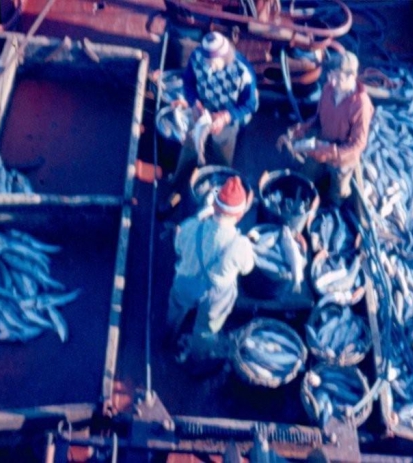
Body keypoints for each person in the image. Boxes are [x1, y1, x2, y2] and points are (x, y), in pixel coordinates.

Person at [159, 31, 259, 216]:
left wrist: (226, 117)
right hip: (203, 108)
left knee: (221, 154)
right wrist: (194, 102)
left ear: (225, 57)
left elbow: (251, 104)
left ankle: (217, 192)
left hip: (229, 113)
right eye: (206, 62)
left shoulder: (242, 71)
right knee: (190, 144)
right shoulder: (198, 56)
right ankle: (179, 182)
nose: (208, 67)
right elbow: (188, 82)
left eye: (212, 63)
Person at [167, 176, 254, 370]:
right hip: (216, 296)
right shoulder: (241, 245)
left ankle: (167, 338)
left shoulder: (189, 226)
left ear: (214, 205)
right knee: (206, 329)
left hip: (186, 282)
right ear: (239, 215)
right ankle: (197, 359)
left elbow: (178, 249)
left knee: (176, 308)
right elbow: (247, 269)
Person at [276, 50, 374, 205]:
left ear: (352, 76)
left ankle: (334, 204)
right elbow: (318, 118)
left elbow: (358, 144)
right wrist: (296, 132)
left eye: (338, 78)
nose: (332, 82)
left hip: (343, 154)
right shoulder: (328, 89)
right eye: (330, 76)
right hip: (323, 141)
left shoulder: (361, 105)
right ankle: (306, 193)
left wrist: (332, 153)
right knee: (306, 175)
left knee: (338, 191)